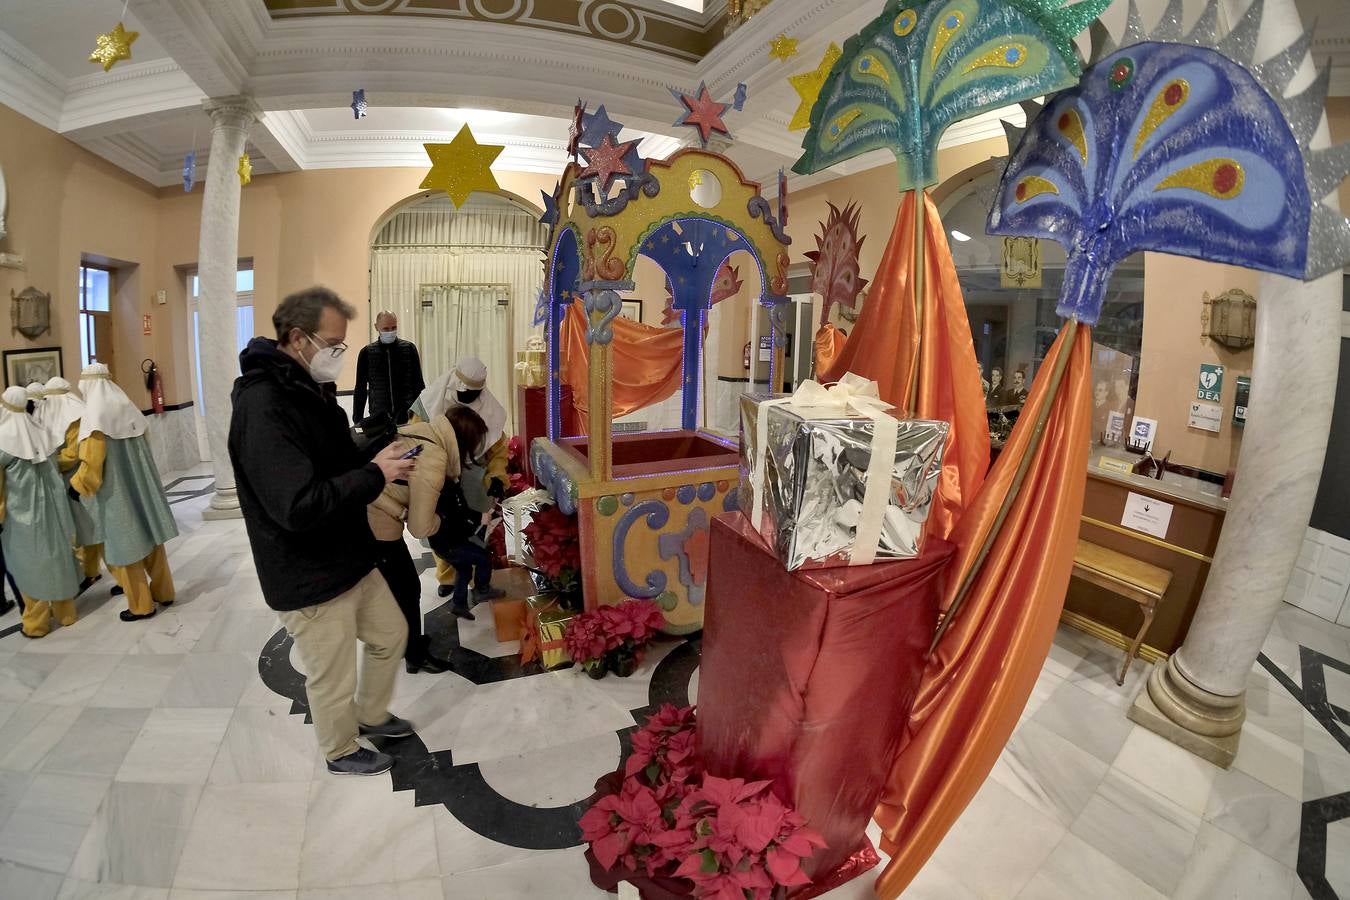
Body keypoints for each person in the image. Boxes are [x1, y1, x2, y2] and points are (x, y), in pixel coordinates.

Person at [229, 286, 419, 777]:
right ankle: (340, 748)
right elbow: (298, 504)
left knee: (391, 633)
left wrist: (380, 453)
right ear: (298, 339)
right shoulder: (264, 406)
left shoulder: (306, 390)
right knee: (332, 675)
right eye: (333, 344)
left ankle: (371, 714)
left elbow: (333, 459)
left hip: (348, 556)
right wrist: (375, 475)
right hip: (307, 571)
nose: (339, 355)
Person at [367, 404, 487, 670]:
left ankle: (404, 646)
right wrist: (440, 520)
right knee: (407, 588)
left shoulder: (423, 430)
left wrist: (402, 510)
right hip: (374, 520)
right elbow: (420, 528)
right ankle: (414, 655)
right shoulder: (434, 458)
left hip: (369, 506)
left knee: (398, 587)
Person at [71, 364, 177, 622]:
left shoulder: (95, 419)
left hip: (117, 495)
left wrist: (76, 487)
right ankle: (164, 592)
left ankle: (141, 605)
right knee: (152, 541)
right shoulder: (126, 408)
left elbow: (92, 467)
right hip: (141, 488)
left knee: (126, 549)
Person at [411, 357, 509, 599]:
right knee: (443, 525)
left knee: (475, 526)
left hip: (474, 477)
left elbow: (498, 450)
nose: (468, 398)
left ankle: (477, 579)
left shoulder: (490, 410)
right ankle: (447, 576)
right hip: (440, 474)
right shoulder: (429, 402)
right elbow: (418, 438)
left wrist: (496, 477)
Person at [0, 386, 81, 638]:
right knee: (57, 558)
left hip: (22, 516)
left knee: (28, 565)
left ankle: (36, 624)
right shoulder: (39, 431)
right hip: (52, 510)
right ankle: (66, 613)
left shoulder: (4, 439)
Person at [43, 377, 106, 592]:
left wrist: (50, 464)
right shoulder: (69, 412)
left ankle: (121, 577)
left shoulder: (73, 417)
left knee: (95, 530)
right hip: (72, 481)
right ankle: (90, 572)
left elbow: (73, 453)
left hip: (80, 481)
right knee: (86, 531)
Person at [353, 311, 425, 426]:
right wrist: (358, 420)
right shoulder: (366, 353)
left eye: (394, 327)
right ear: (376, 327)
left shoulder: (409, 349)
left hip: (407, 417)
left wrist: (419, 416)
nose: (390, 332)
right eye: (386, 329)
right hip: (379, 418)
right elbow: (360, 389)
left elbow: (418, 384)